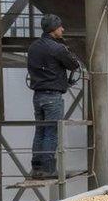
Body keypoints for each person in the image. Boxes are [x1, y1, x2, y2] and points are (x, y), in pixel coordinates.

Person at [27, 14, 81, 179]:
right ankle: (49, 169)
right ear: (53, 29)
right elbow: (74, 64)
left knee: (40, 131)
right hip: (53, 96)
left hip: (38, 95)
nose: (62, 29)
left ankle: (37, 167)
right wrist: (67, 51)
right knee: (51, 132)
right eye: (60, 27)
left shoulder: (33, 47)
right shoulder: (57, 48)